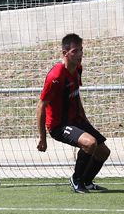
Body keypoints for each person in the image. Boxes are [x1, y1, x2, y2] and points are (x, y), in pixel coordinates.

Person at [37, 33, 111, 194]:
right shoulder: (55, 77)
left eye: (81, 50)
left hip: (76, 120)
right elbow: (41, 106)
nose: (80, 55)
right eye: (75, 51)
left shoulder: (78, 69)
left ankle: (87, 181)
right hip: (59, 125)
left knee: (104, 151)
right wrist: (42, 137)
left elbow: (75, 94)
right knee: (90, 144)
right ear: (65, 53)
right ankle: (76, 179)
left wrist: (83, 117)